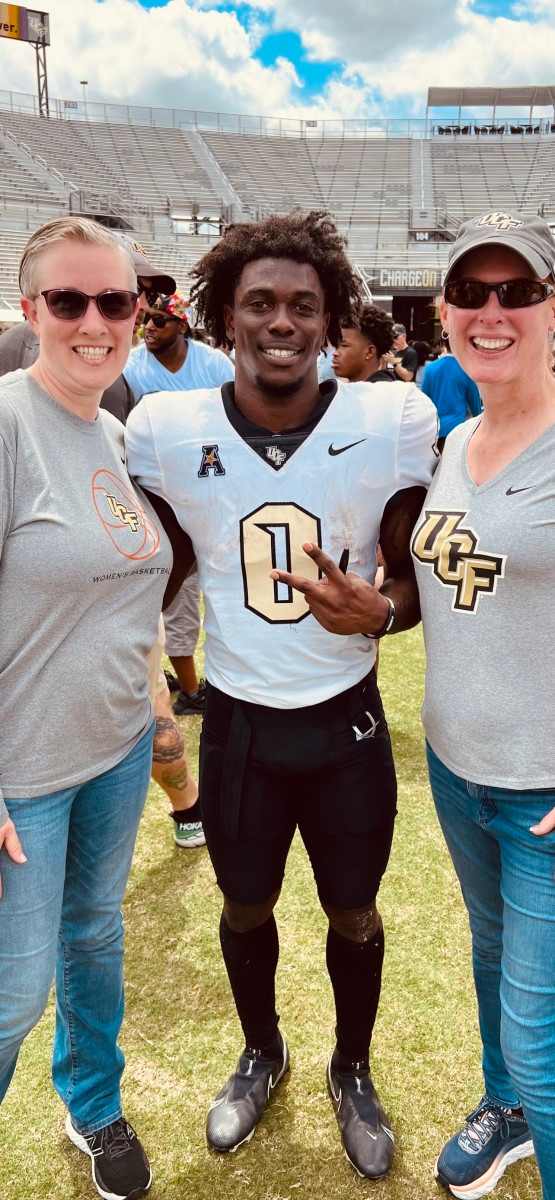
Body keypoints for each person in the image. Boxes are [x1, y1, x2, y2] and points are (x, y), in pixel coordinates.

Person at [126, 209, 438, 1180]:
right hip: (243, 727)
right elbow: (160, 570)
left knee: (355, 911)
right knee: (244, 904)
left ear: (332, 316)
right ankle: (263, 1048)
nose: (281, 321)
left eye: (305, 304)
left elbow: (411, 582)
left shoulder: (389, 422)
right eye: (259, 300)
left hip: (345, 725)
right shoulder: (166, 430)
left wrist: (377, 614)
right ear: (223, 313)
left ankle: (353, 1067)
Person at [0, 215, 175, 1200]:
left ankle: (93, 1101)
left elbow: (126, 590)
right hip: (19, 772)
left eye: (115, 301)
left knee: (96, 936)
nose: (95, 321)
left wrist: (153, 705)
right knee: (12, 993)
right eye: (69, 300)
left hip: (111, 752)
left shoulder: (115, 431)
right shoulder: (7, 422)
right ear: (32, 311)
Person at [411, 211, 555, 1200]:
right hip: (458, 769)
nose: (491, 311)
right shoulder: (454, 438)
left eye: (517, 292)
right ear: (444, 312)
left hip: (543, 789)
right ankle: (502, 1110)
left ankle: (525, 1101)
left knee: (540, 1034)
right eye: (471, 293)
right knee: (490, 949)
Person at [125, 290, 234, 723]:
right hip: (163, 495)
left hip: (220, 486)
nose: (149, 327)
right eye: (147, 320)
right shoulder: (133, 367)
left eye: (160, 321)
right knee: (178, 590)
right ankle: (189, 686)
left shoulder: (211, 363)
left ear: (182, 325)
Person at [0, 235, 176, 424]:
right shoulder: (88, 366)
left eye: (149, 294)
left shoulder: (20, 342)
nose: (142, 306)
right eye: (121, 292)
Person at [420, 332, 482, 449]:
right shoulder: (465, 369)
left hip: (434, 431)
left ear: (443, 344)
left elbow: (423, 402)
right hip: (457, 431)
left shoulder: (430, 368)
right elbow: (476, 406)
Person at [332, 303, 395, 383]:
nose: (335, 353)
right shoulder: (339, 391)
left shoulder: (390, 394)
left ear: (370, 352)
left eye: (344, 345)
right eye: (337, 346)